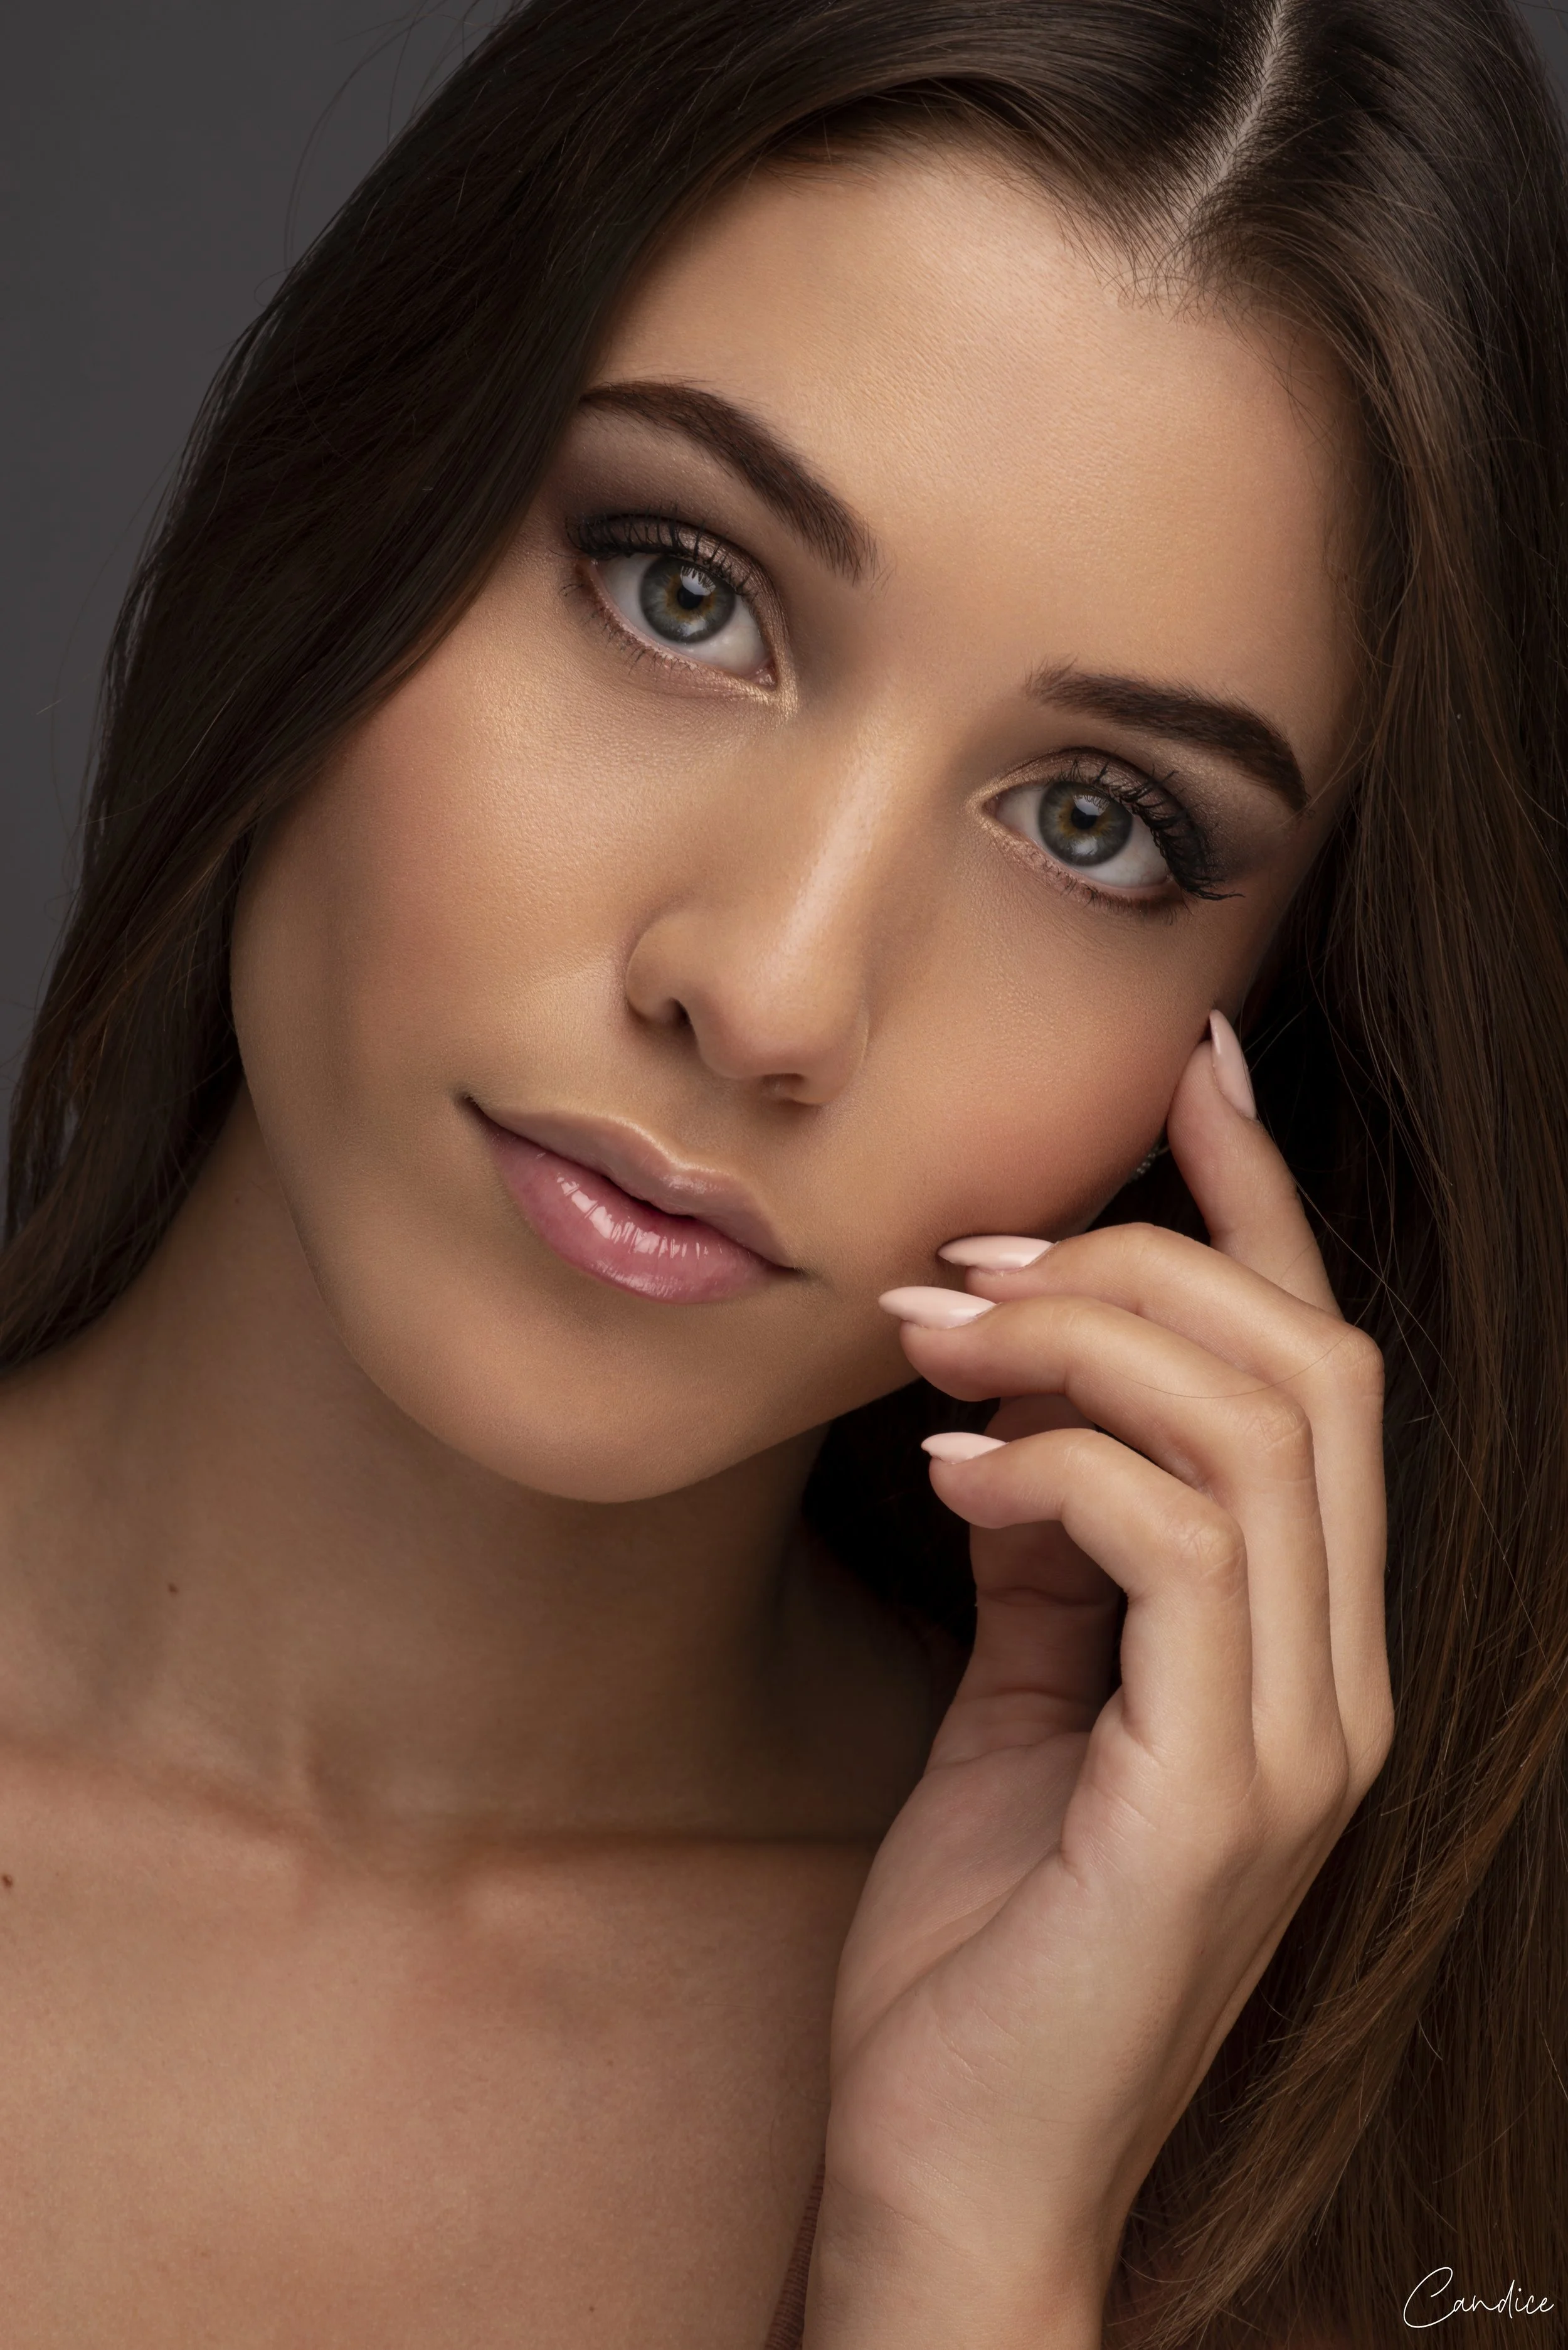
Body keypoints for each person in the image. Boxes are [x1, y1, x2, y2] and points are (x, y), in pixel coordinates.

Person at [3, 0, 1565, 2341]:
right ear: (352, 497)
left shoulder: (1333, 2169)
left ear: (1262, 1030)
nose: (773, 992)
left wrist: (967, 2258)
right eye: (682, 586)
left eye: (1095, 825)